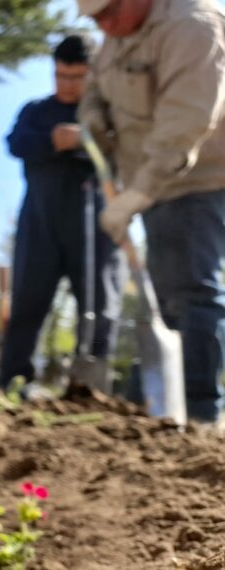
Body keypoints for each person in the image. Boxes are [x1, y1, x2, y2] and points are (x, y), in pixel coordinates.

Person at [77, 0, 225, 424]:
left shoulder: (191, 27)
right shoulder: (117, 32)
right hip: (150, 186)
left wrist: (133, 197)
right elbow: (93, 92)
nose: (103, 25)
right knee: (163, 298)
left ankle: (199, 413)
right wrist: (93, 119)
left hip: (198, 181)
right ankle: (160, 409)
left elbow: (185, 124)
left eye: (108, 13)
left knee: (193, 291)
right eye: (96, 19)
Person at [0, 35, 126, 394]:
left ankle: (92, 384)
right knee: (28, 300)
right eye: (61, 76)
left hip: (96, 219)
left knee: (101, 301)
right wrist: (55, 140)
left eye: (77, 77)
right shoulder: (36, 111)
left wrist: (88, 138)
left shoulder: (107, 113)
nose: (68, 85)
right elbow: (15, 144)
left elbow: (125, 153)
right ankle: (14, 381)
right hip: (40, 220)